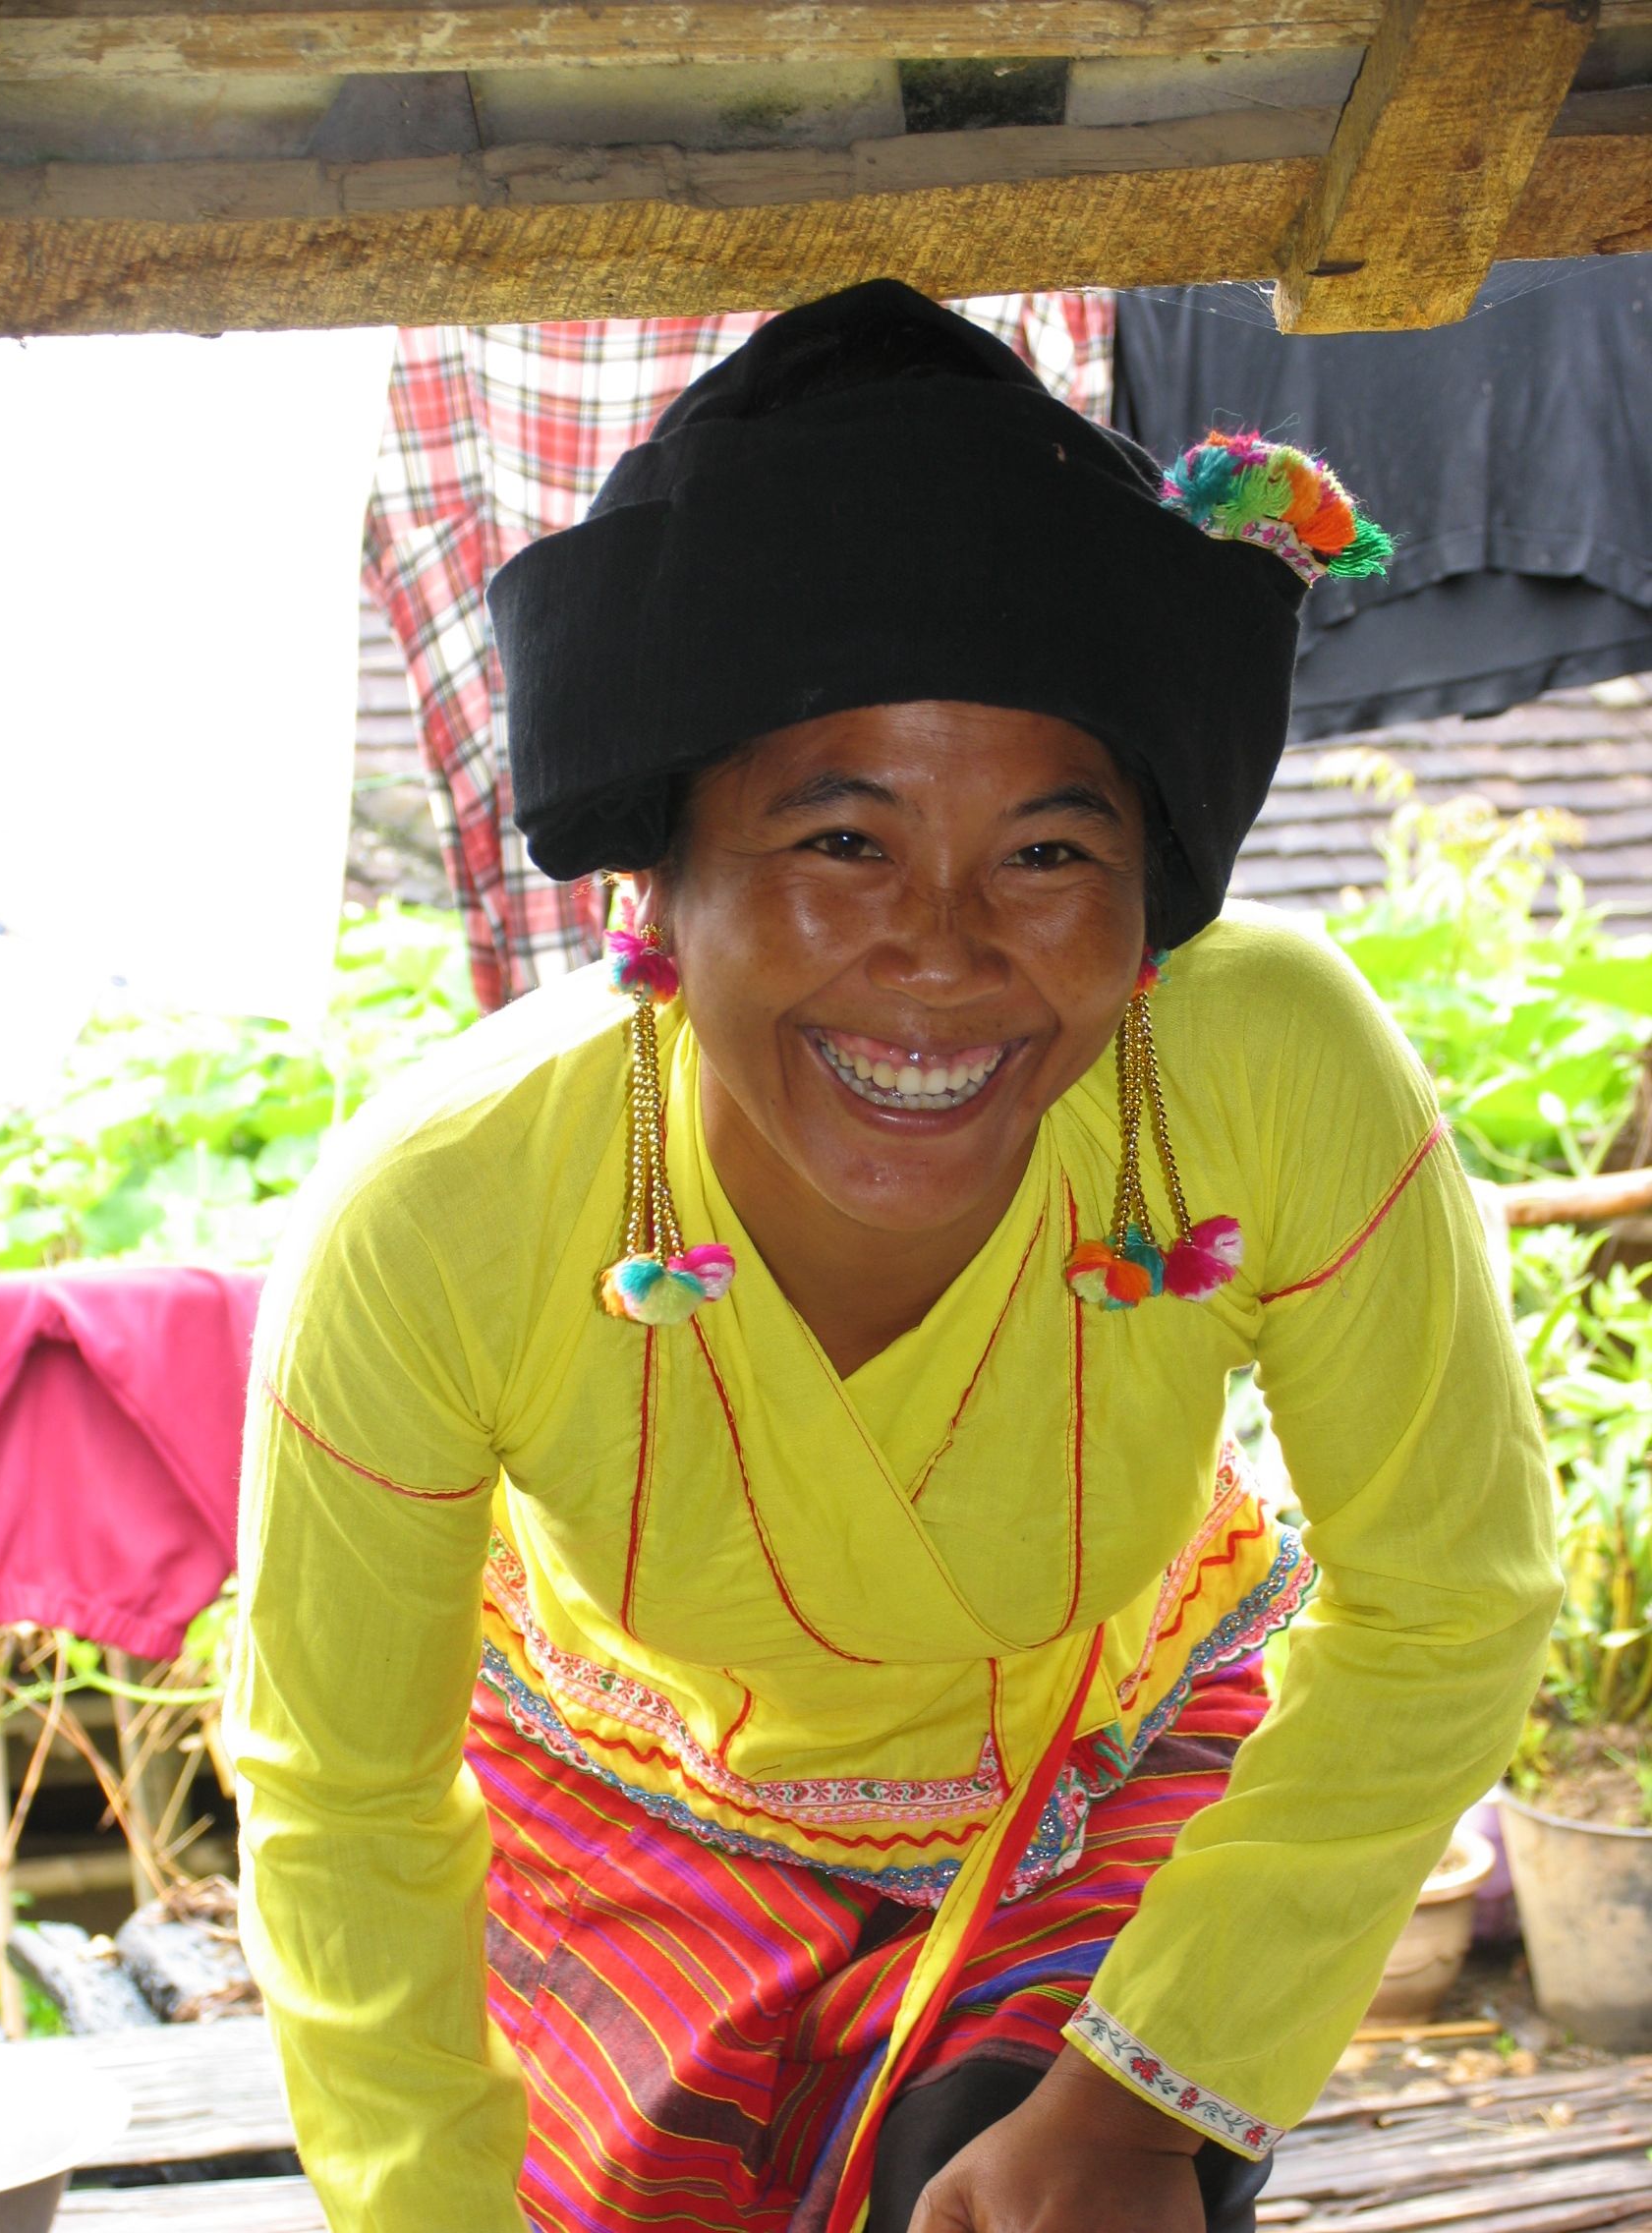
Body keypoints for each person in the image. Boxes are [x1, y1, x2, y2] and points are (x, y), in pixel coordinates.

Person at [227, 281, 1560, 2233]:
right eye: (840, 843)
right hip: (618, 1816)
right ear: (657, 882)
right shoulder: (444, 1204)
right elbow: (343, 1789)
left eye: (1048, 851)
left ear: (1149, 901)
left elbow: (1450, 1604)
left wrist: (1137, 2097)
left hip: (1092, 1776)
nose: (942, 952)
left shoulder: (1268, 1068)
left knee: (1039, 2190)